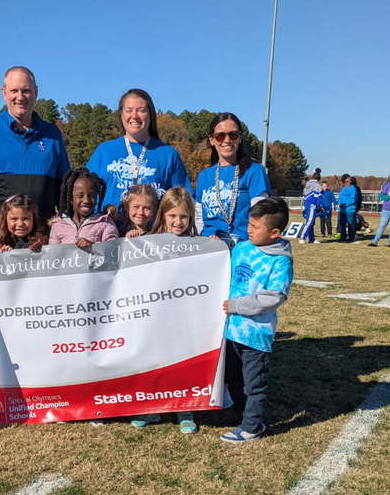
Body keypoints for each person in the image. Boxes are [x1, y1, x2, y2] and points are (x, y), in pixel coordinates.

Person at [0, 66, 70, 251]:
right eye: (14, 90)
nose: (20, 97)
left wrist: (68, 225)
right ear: (4, 92)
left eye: (26, 90)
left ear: (36, 92)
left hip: (41, 241)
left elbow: (64, 187)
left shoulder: (52, 134)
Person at [221, 197, 293, 442]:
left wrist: (237, 306)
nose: (249, 229)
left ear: (274, 232)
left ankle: (253, 426)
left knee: (254, 383)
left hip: (255, 333)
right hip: (231, 330)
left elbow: (273, 297)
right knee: (233, 377)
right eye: (249, 224)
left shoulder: (280, 260)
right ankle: (241, 413)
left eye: (256, 227)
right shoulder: (242, 247)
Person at [131, 187, 199, 433]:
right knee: (154, 363)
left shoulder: (197, 245)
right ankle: (152, 409)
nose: (178, 222)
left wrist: (212, 248)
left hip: (183, 318)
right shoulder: (148, 241)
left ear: (191, 218)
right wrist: (133, 244)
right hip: (155, 317)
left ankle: (185, 408)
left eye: (183, 217)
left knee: (182, 363)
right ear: (163, 215)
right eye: (172, 216)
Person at [86, 88, 190, 208]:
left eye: (141, 110)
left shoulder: (168, 154)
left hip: (152, 226)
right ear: (121, 114)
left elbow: (181, 202)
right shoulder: (104, 152)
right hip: (108, 225)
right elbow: (86, 193)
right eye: (128, 110)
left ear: (150, 115)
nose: (134, 116)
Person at [194, 113, 270, 245]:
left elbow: (260, 214)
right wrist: (205, 239)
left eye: (233, 135)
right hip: (210, 248)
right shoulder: (204, 176)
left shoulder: (254, 171)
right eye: (220, 136)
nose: (227, 140)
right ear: (212, 140)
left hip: (243, 247)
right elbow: (198, 217)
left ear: (240, 138)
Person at [48, 168, 118, 248]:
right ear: (71, 198)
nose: (86, 200)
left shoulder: (106, 223)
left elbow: (113, 251)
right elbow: (52, 255)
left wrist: (93, 247)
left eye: (92, 196)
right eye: (80, 196)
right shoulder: (58, 225)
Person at [298, 169, 322, 244]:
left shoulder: (307, 183)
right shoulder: (317, 185)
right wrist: (320, 206)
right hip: (312, 205)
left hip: (307, 204)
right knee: (310, 222)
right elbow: (318, 196)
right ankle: (302, 237)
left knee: (310, 222)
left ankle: (311, 238)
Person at [338, 177, 359, 242]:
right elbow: (340, 198)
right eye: (345, 181)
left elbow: (352, 200)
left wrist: (345, 205)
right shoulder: (343, 189)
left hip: (350, 210)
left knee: (350, 223)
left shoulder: (353, 189)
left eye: (347, 181)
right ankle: (343, 236)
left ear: (350, 182)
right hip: (342, 210)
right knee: (342, 224)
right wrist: (338, 203)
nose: (346, 182)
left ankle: (351, 237)